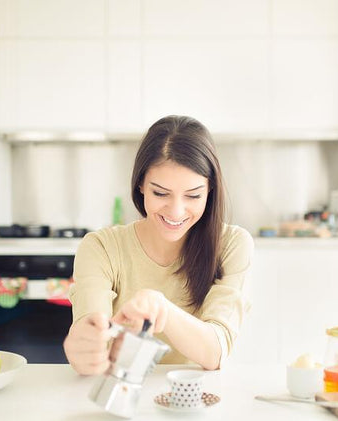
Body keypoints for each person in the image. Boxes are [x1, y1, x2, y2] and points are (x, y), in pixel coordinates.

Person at [63, 115, 253, 375]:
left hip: (194, 402)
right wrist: (84, 345)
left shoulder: (232, 244)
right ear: (141, 185)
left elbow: (215, 352)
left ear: (210, 190)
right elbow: (91, 332)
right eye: (161, 193)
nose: (176, 211)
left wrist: (161, 307)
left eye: (193, 195)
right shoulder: (101, 247)